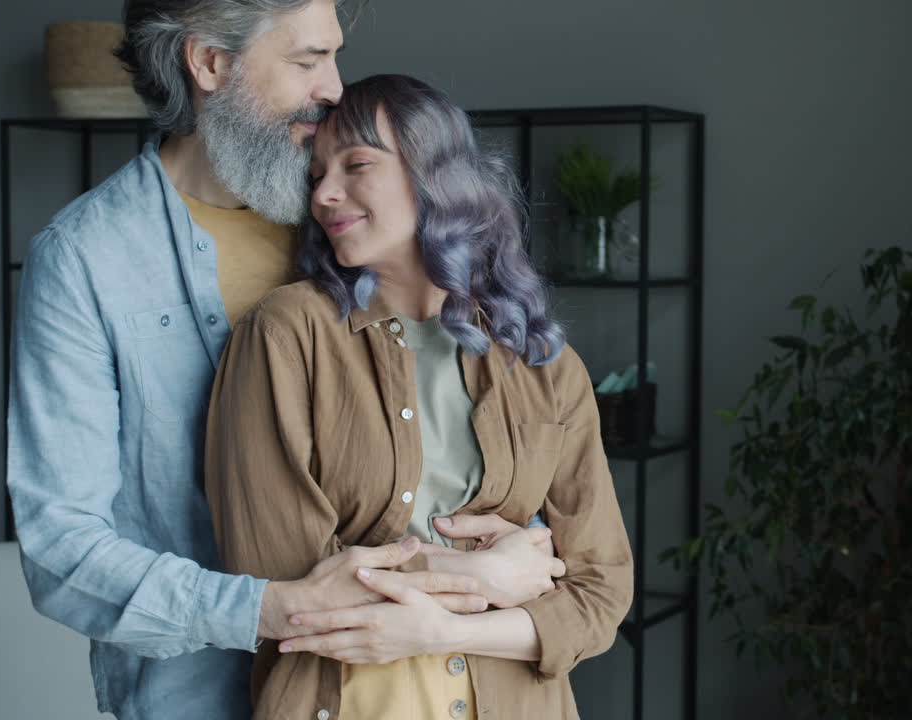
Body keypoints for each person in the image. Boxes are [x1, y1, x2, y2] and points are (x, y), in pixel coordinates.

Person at [6, 2, 554, 718]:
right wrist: (272, 609)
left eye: (333, 56)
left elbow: (468, 424)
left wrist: (521, 544)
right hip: (194, 701)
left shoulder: (355, 219)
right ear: (209, 64)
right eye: (306, 60)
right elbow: (62, 551)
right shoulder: (85, 260)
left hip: (406, 692)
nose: (333, 86)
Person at [204, 73, 634, 720]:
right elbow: (280, 580)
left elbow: (601, 593)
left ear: (435, 176)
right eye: (315, 172)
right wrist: (485, 577)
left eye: (356, 165)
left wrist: (447, 630)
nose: (324, 193)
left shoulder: (547, 367)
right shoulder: (287, 336)